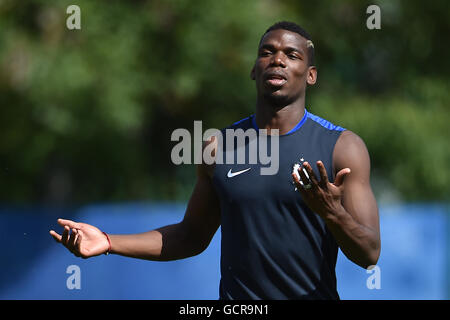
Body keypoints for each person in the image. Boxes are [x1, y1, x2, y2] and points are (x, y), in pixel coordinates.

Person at [50, 21, 380, 300]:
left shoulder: (342, 147)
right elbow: (190, 236)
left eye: (291, 55)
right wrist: (108, 242)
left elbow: (369, 255)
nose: (277, 60)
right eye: (267, 52)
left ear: (310, 75)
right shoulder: (218, 147)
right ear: (254, 69)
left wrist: (332, 212)